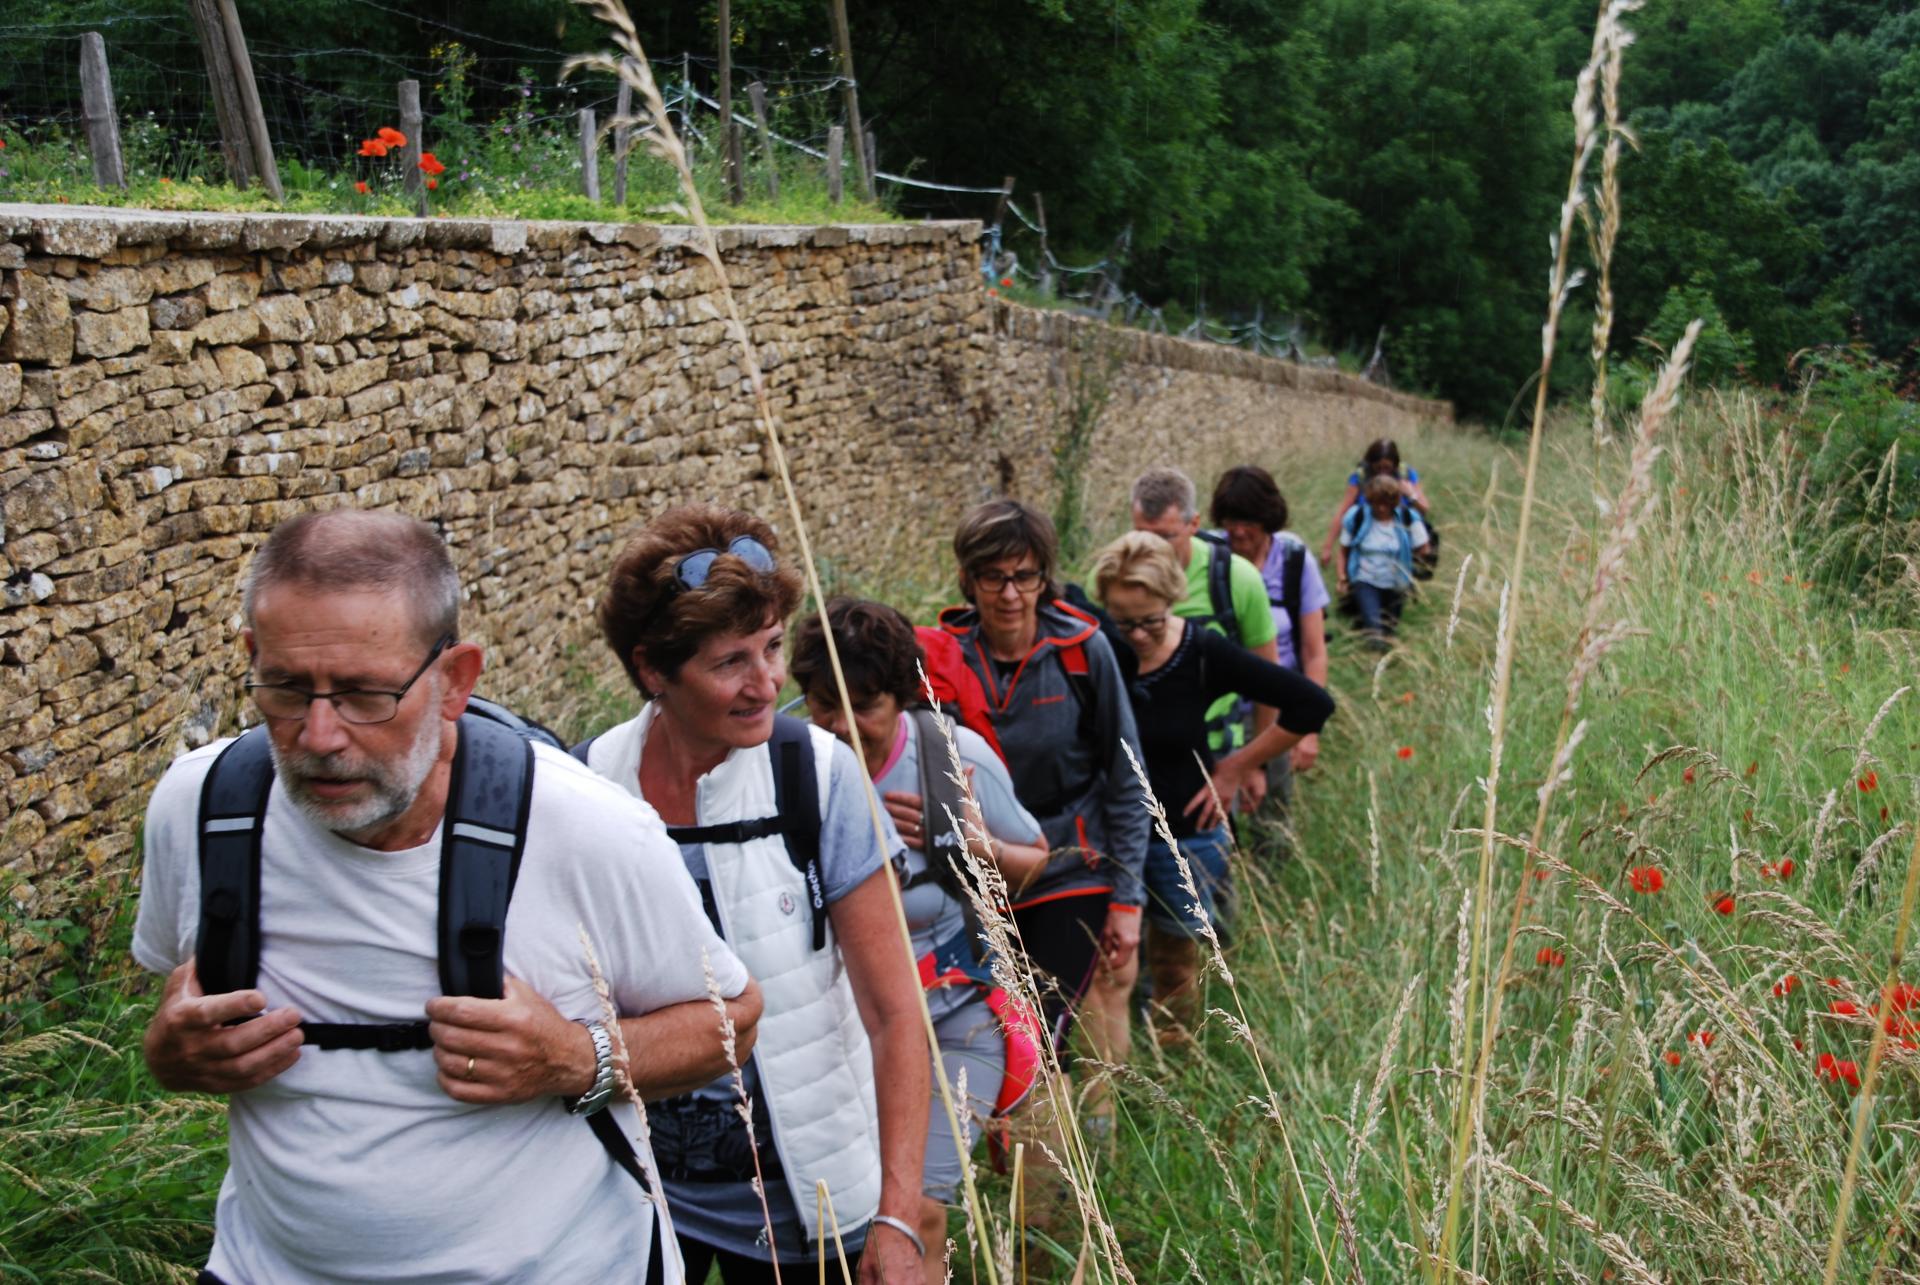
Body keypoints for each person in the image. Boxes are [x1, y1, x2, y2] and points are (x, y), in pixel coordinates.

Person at [133, 509, 762, 1285]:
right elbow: (171, 1002)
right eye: (288, 688)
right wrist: (170, 1052)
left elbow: (731, 1020)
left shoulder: (585, 828)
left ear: (455, 679)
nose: (321, 734)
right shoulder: (202, 808)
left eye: (366, 694)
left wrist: (575, 1056)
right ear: (251, 658)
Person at [580, 505, 929, 1285]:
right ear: (651, 669)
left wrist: (899, 1213)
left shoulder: (818, 777)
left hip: (809, 1209)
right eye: (730, 660)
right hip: (635, 1208)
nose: (767, 682)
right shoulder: (588, 791)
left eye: (772, 647)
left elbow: (894, 1010)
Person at [791, 598, 1051, 1285]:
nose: (842, 724)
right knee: (841, 1222)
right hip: (836, 1032)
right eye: (822, 704)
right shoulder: (789, 767)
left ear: (902, 694)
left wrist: (971, 843)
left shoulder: (949, 756)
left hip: (954, 1018)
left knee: (915, 1213)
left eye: (865, 704)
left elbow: (1036, 859)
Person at [934, 500, 1147, 1094]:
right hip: (982, 869)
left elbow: (1128, 780)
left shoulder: (1082, 652)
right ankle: (1031, 1147)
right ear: (968, 580)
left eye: (1024, 576)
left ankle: (1095, 1145)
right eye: (992, 577)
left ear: (1044, 579)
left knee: (1066, 1009)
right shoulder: (943, 658)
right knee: (1007, 1022)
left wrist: (1128, 903)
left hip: (1072, 860)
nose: (1008, 594)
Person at [1090, 532, 1335, 1036]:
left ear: (1172, 600)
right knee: (1105, 966)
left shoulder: (1200, 651)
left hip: (1186, 834)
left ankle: (1173, 1068)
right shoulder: (1095, 645)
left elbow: (1311, 703)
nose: (1136, 635)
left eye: (1150, 620)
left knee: (1175, 963)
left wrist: (1238, 766)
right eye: (1124, 620)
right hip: (1108, 834)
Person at [1130, 467, 1281, 808]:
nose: (1151, 549)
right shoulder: (1112, 577)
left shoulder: (1237, 579)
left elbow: (1268, 682)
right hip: (1138, 752)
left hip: (1217, 753)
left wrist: (1253, 764)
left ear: (1194, 524)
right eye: (1141, 534)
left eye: (1166, 537)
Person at [1209, 465, 1332, 809]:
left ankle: (1268, 863)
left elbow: (1314, 652)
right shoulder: (1209, 557)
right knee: (1217, 812)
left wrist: (1308, 730)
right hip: (1218, 713)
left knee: (1272, 811)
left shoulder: (1294, 561)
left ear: (1268, 517)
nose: (1238, 531)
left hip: (1277, 713)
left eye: (1248, 520)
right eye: (1230, 520)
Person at [1337, 472, 1432, 646]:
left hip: (1396, 584)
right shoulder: (1356, 516)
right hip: (1365, 581)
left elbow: (1424, 547)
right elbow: (1343, 550)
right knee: (1374, 629)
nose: (1381, 508)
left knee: (1389, 630)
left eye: (1386, 503)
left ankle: (1385, 662)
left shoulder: (1407, 517)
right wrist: (1342, 578)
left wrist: (1409, 560)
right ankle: (1373, 660)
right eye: (1376, 502)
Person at [1318, 437, 1430, 568]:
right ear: (1370, 465)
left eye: (1387, 468)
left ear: (1395, 465)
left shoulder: (1405, 475)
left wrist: (1410, 494)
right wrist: (1328, 546)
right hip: (1368, 536)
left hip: (1400, 534)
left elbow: (1424, 509)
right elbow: (1342, 512)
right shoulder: (1360, 478)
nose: (1383, 473)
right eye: (1378, 468)